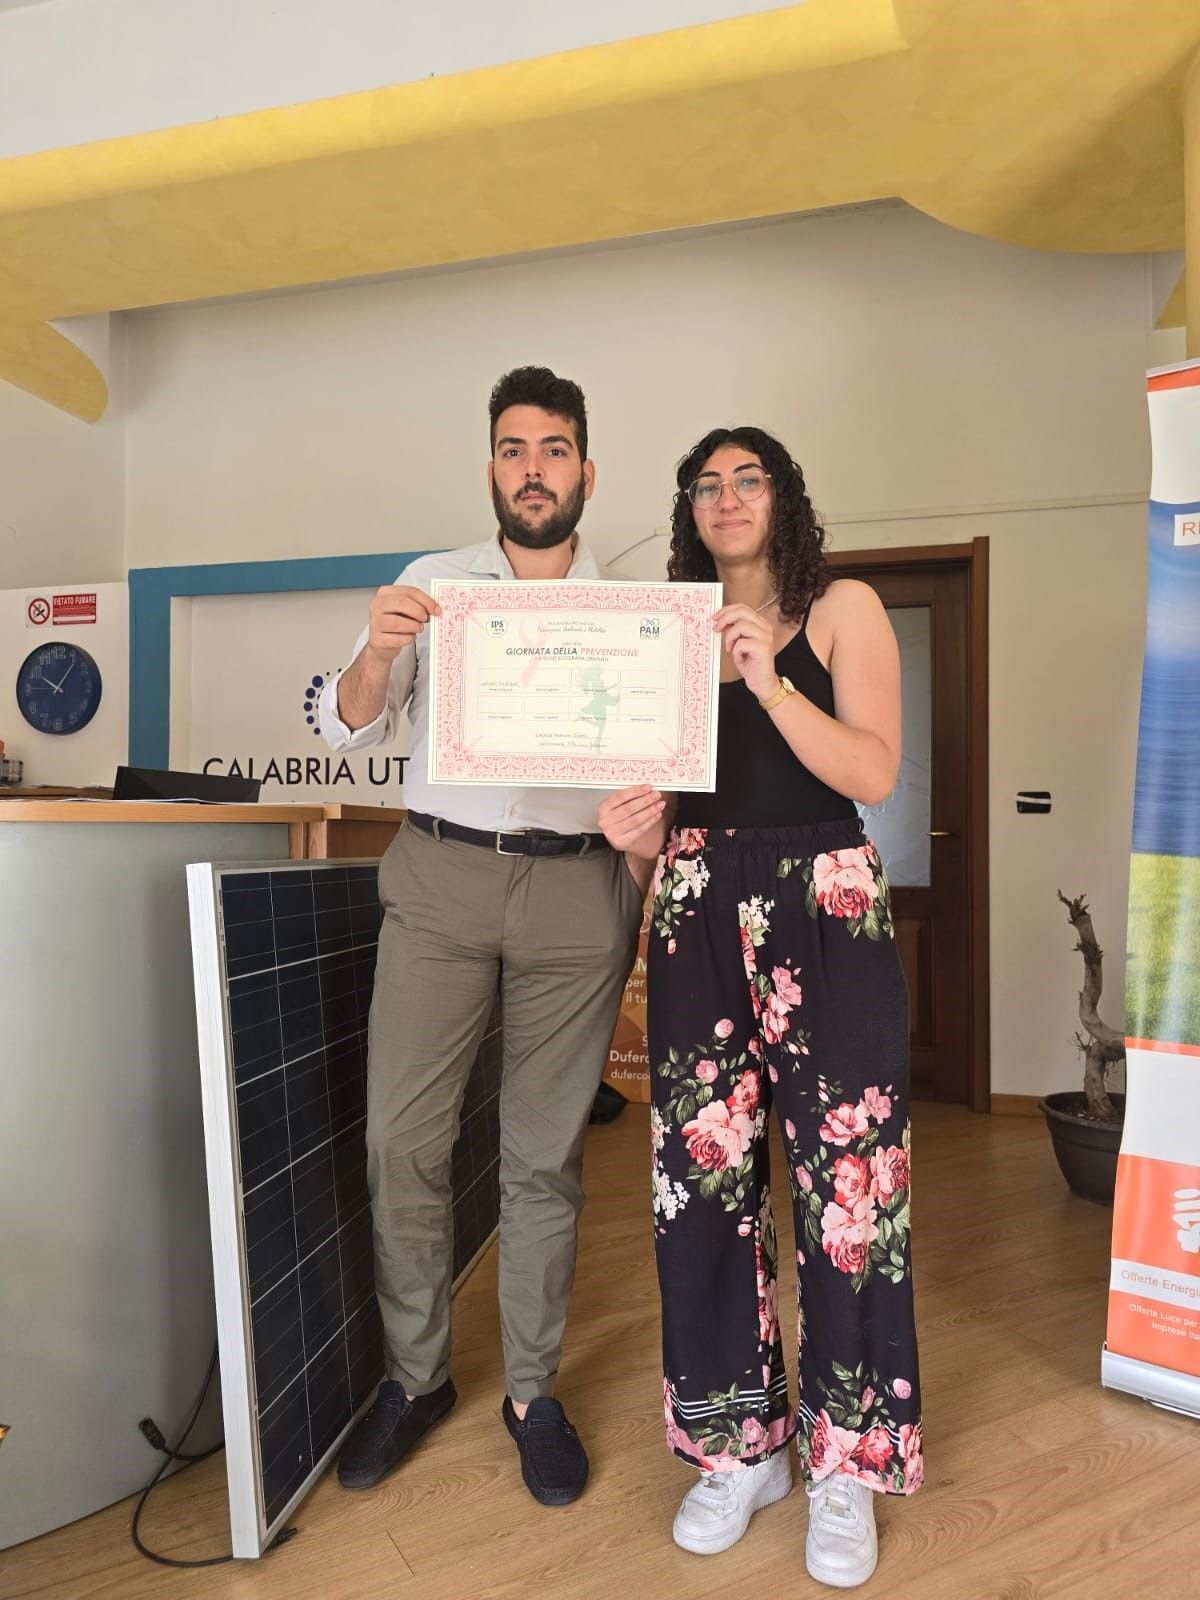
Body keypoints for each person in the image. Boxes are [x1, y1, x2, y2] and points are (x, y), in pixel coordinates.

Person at [598, 426, 923, 1588]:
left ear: (783, 497)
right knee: (701, 1190)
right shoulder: (666, 638)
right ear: (689, 510)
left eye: (749, 478)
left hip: (825, 899)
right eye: (707, 484)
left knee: (849, 1188)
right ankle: (739, 1445)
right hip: (695, 899)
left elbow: (872, 772)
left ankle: (845, 1460)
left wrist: (768, 681)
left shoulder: (842, 608)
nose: (727, 497)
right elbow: (664, 824)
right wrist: (636, 844)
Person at [318, 366, 643, 1507]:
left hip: (578, 893)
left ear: (586, 471)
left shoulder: (637, 616)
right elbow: (348, 725)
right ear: (492, 467)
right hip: (441, 879)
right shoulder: (431, 585)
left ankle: (533, 1395)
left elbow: (662, 775)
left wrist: (648, 829)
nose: (533, 470)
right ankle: (417, 1378)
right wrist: (373, 653)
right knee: (399, 1139)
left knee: (543, 1157)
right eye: (514, 449)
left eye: (553, 450)